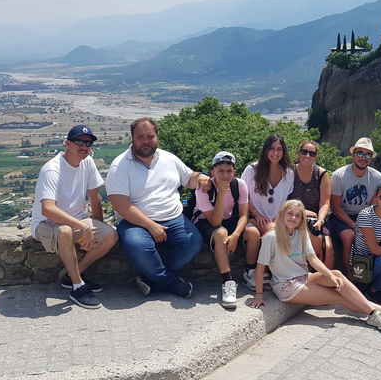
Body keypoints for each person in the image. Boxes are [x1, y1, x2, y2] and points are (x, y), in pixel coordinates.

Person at [248, 200, 381, 330]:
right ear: (282, 214)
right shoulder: (271, 237)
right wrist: (259, 295)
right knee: (337, 297)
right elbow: (260, 266)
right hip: (287, 286)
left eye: (298, 215)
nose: (293, 218)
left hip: (304, 277)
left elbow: (313, 260)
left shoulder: (301, 234)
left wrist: (328, 273)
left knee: (338, 275)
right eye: (290, 214)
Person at [106, 118, 209, 298]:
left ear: (157, 137)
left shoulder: (168, 158)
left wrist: (200, 177)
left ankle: (152, 278)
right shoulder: (119, 166)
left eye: (150, 136)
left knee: (193, 242)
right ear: (132, 138)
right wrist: (150, 225)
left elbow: (188, 178)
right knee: (139, 245)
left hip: (173, 218)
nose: (146, 141)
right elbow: (120, 205)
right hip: (134, 223)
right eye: (140, 137)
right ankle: (168, 282)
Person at [30, 124, 119, 309]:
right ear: (67, 144)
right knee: (64, 231)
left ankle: (73, 275)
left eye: (88, 143)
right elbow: (47, 209)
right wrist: (84, 227)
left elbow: (95, 198)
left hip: (77, 220)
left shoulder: (87, 163)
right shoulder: (52, 169)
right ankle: (78, 287)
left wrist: (97, 228)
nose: (84, 146)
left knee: (112, 235)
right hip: (46, 224)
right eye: (79, 141)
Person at [191, 151, 260, 309]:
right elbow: (215, 221)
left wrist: (236, 235)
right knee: (221, 233)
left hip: (229, 218)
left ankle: (249, 272)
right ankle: (228, 282)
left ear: (234, 172)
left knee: (253, 233)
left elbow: (244, 215)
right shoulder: (203, 189)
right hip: (205, 220)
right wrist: (221, 195)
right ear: (212, 173)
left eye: (229, 171)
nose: (225, 175)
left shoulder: (239, 185)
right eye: (220, 171)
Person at [240, 133, 295, 290]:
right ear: (265, 150)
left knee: (274, 231)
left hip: (275, 220)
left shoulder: (289, 173)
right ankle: (251, 272)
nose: (275, 153)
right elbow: (242, 198)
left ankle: (268, 272)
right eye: (272, 148)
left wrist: (281, 215)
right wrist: (257, 213)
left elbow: (287, 198)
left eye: (279, 149)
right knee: (255, 233)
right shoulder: (252, 170)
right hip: (252, 217)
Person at [328, 137, 381, 278]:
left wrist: (366, 223)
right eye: (360, 153)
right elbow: (335, 207)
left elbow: (373, 204)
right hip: (341, 217)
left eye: (368, 155)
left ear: (371, 158)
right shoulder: (339, 176)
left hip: (364, 215)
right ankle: (349, 274)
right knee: (349, 236)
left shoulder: (377, 177)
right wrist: (354, 225)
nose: (363, 158)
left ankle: (372, 273)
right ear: (353, 155)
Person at [288, 139, 334, 270]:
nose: (307, 156)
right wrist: (302, 212)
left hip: (315, 218)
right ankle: (304, 273)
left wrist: (320, 220)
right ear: (298, 152)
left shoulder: (321, 174)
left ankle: (323, 280)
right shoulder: (290, 172)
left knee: (328, 246)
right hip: (292, 216)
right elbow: (283, 200)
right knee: (313, 239)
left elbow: (325, 202)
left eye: (312, 153)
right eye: (304, 152)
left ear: (316, 156)